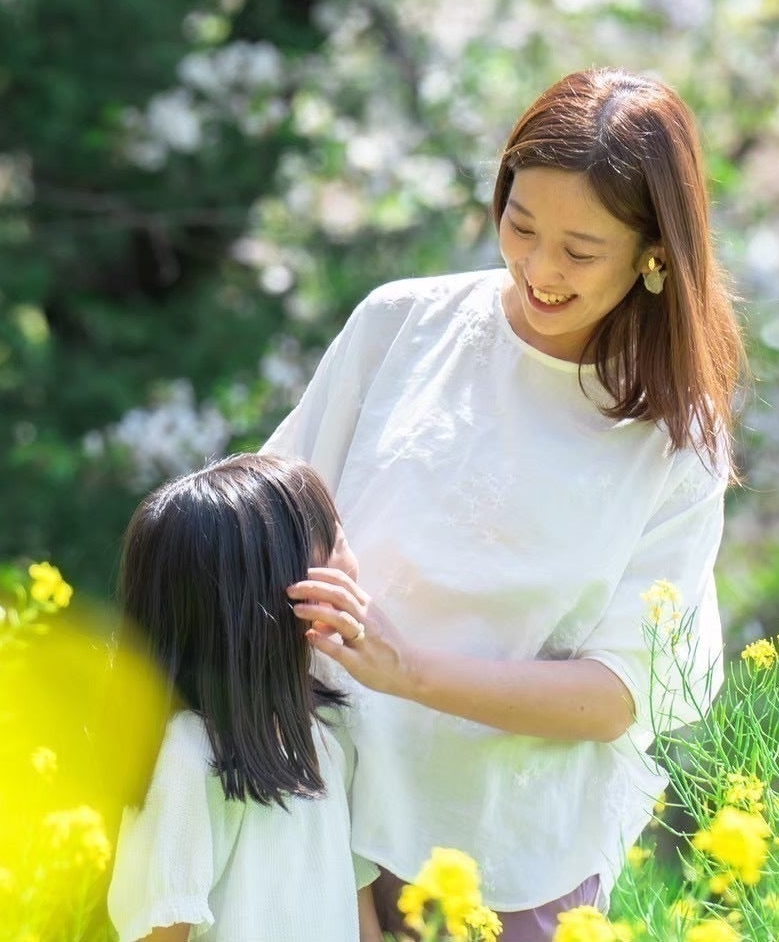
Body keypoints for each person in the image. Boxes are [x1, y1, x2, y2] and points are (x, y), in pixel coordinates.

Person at [264, 67, 746, 940]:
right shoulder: (399, 325)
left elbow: (615, 695)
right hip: (315, 808)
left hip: (505, 857)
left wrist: (410, 671)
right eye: (519, 226)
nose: (539, 269)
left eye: (580, 250)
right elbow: (263, 526)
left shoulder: (674, 440)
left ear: (653, 253)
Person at [105, 453, 382, 942]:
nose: (352, 565)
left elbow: (355, 904)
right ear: (279, 594)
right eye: (338, 543)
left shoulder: (324, 733)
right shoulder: (188, 756)